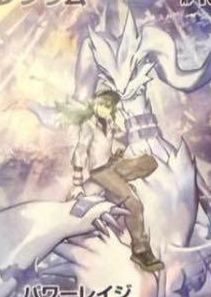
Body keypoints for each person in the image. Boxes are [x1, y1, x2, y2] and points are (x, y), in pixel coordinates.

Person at [69, 90, 163, 271]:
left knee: (149, 162)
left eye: (107, 105)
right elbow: (80, 151)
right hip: (99, 171)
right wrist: (77, 183)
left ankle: (121, 181)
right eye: (100, 104)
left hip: (112, 165)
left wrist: (117, 153)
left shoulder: (110, 123)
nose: (102, 108)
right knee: (134, 203)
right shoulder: (88, 125)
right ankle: (140, 250)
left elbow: (117, 140)